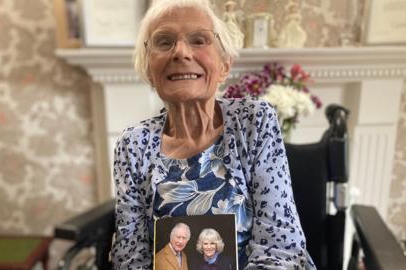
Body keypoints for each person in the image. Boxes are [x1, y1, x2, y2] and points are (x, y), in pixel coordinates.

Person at [110, 0, 315, 269]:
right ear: (149, 68)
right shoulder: (133, 145)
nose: (181, 52)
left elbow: (281, 248)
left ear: (224, 65)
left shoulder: (253, 121)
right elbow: (130, 259)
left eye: (198, 40)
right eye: (163, 42)